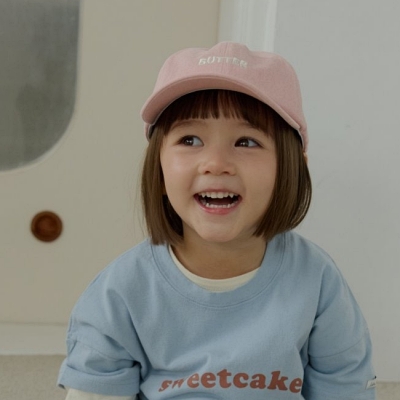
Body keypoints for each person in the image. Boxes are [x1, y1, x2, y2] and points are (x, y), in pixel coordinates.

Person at [57, 42, 376, 400]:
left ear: (293, 167)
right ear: (158, 167)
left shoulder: (317, 281)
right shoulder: (120, 293)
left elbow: (344, 386)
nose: (215, 164)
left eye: (246, 142)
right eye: (190, 139)